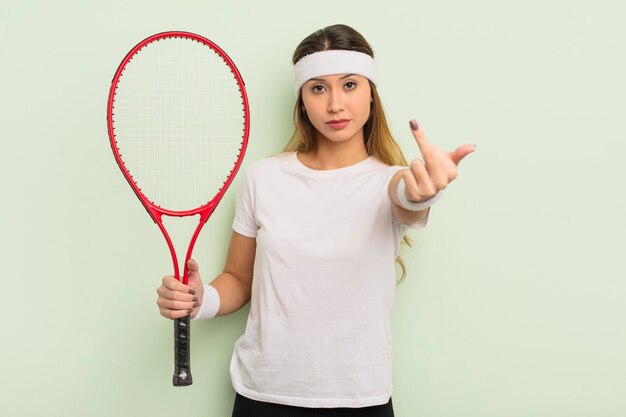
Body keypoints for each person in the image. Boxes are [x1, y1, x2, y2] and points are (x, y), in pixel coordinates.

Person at [156, 23, 475, 417]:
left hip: (360, 397)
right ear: (302, 100)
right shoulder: (263, 178)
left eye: (350, 85)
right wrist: (201, 300)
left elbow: (407, 198)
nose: (335, 104)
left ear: (372, 96)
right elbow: (239, 280)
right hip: (263, 395)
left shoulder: (387, 182)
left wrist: (426, 191)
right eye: (318, 88)